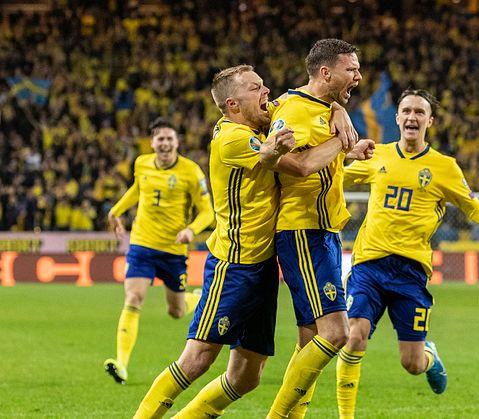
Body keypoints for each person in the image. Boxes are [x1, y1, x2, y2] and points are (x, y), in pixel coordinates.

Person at [133, 64, 371, 419]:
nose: (266, 92)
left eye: (263, 85)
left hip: (262, 267)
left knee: (245, 378)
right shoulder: (232, 137)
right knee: (197, 359)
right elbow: (283, 160)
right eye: (256, 88)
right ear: (232, 104)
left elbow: (303, 97)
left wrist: (337, 108)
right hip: (234, 265)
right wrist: (341, 142)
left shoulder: (259, 120)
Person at [336, 88, 479, 418]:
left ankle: (429, 356)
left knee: (411, 364)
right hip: (369, 263)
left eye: (419, 112)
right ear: (397, 118)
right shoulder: (377, 156)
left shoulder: (444, 167)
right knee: (354, 336)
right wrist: (337, 155)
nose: (412, 117)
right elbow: (334, 178)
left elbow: (472, 207)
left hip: (411, 272)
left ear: (430, 121)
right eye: (406, 111)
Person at [265, 38, 373, 419]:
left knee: (311, 338)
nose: (359, 75)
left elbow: (323, 159)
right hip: (302, 231)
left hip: (323, 232)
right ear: (325, 72)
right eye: (352, 68)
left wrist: (346, 146)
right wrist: (340, 142)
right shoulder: (292, 109)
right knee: (336, 334)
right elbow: (295, 166)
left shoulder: (325, 108)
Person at [104, 117, 215, 385]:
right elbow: (137, 190)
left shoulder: (191, 172)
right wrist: (117, 210)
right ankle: (121, 363)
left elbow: (207, 212)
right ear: (152, 142)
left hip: (173, 250)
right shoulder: (141, 163)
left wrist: (191, 230)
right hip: (142, 244)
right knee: (133, 298)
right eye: (160, 138)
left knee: (175, 311)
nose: (164, 143)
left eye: (169, 138)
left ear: (177, 142)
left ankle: (194, 298)